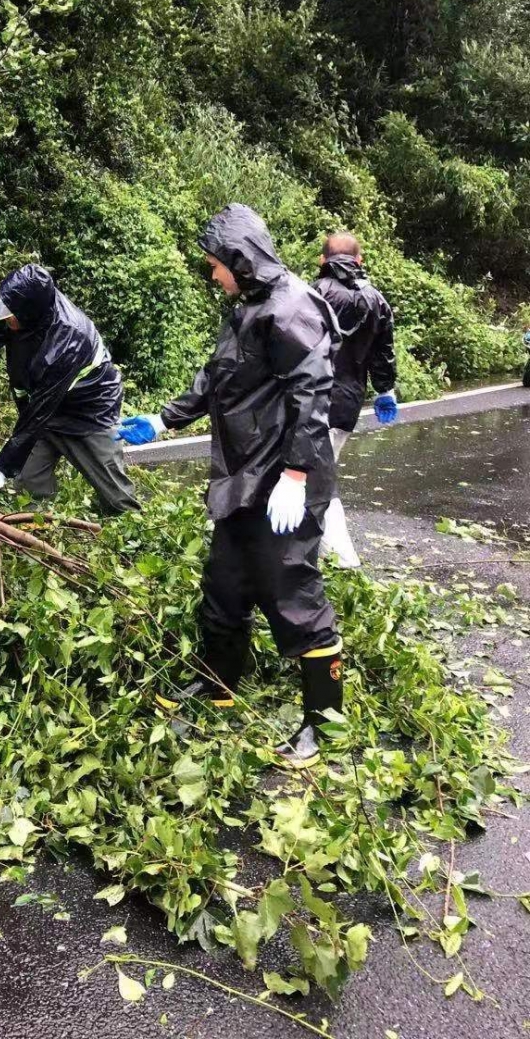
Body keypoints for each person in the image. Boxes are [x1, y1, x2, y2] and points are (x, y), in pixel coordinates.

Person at [116, 204, 343, 767]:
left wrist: (296, 473)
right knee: (224, 586)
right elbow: (218, 376)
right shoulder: (248, 305)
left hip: (284, 479)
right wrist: (166, 419)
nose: (212, 275)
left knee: (292, 594)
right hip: (244, 476)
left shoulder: (291, 308)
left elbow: (312, 397)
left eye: (215, 265)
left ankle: (325, 722)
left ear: (239, 261)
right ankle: (218, 687)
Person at [0, 263, 139, 515]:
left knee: (117, 499)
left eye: (10, 315)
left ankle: (130, 541)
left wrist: (2, 467)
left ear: (31, 313)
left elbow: (39, 410)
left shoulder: (69, 338)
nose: (6, 318)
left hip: (89, 412)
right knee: (29, 486)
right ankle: (40, 534)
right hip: (44, 410)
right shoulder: (17, 307)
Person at [312, 232, 398, 568]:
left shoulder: (313, 293)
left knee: (314, 479)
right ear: (359, 261)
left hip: (308, 400)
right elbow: (384, 353)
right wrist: (385, 391)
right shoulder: (377, 300)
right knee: (316, 473)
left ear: (323, 260)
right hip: (345, 405)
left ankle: (341, 559)